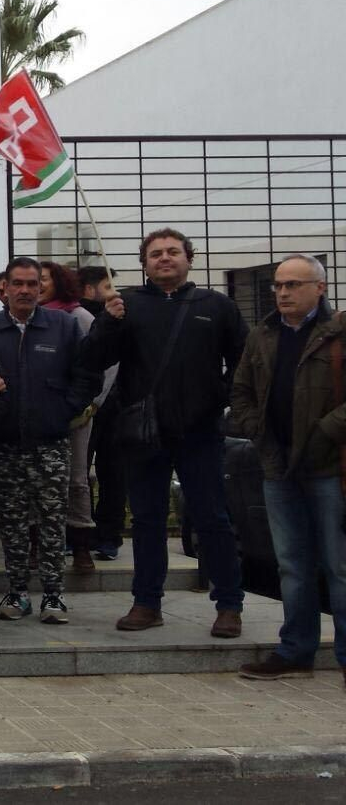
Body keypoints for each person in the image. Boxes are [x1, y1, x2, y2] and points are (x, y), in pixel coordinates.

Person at [84, 228, 247, 637]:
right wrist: (107, 322)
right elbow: (91, 359)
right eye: (155, 253)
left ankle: (229, 605)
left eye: (173, 251)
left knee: (213, 519)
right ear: (144, 263)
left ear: (189, 258)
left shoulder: (218, 305)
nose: (164, 258)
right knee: (147, 520)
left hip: (201, 432)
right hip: (144, 434)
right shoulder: (128, 305)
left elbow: (244, 363)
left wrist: (218, 398)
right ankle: (146, 603)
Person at [229, 255, 346, 681]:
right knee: (292, 565)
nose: (282, 293)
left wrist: (326, 432)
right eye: (278, 285)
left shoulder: (338, 332)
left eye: (293, 285)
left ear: (320, 287)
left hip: (329, 467)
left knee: (338, 565)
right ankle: (296, 650)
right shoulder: (262, 335)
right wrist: (256, 430)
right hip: (278, 467)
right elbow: (240, 390)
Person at [0, 259, 96, 624]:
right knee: (11, 522)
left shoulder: (65, 327)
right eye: (17, 284)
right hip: (4, 443)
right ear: (4, 289)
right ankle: (17, 592)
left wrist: (64, 411)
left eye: (32, 284)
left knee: (53, 520)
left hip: (51, 441)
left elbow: (86, 375)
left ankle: (54, 596)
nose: (25, 290)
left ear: (40, 289)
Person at [39, 261, 103, 573]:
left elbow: (102, 364)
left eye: (44, 280)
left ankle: (80, 546)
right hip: (41, 413)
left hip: (77, 415)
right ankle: (42, 544)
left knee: (77, 479)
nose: (37, 285)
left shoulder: (79, 317)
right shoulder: (30, 318)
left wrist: (92, 403)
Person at [77, 266, 126, 561]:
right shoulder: (77, 317)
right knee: (79, 473)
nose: (113, 292)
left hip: (116, 406)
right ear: (87, 289)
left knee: (114, 473)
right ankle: (83, 532)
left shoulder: (121, 316)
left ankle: (109, 535)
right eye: (106, 286)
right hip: (87, 405)